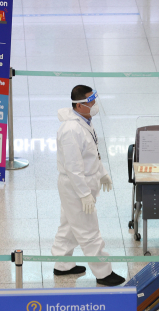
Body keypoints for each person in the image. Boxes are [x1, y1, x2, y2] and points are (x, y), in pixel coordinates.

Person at [51, 85, 125, 286]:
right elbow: (74, 167)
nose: (94, 104)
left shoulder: (84, 122)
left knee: (69, 224)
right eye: (91, 101)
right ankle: (103, 273)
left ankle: (62, 264)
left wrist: (102, 174)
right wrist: (84, 194)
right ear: (80, 105)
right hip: (76, 186)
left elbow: (91, 155)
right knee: (89, 230)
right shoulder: (70, 130)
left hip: (84, 182)